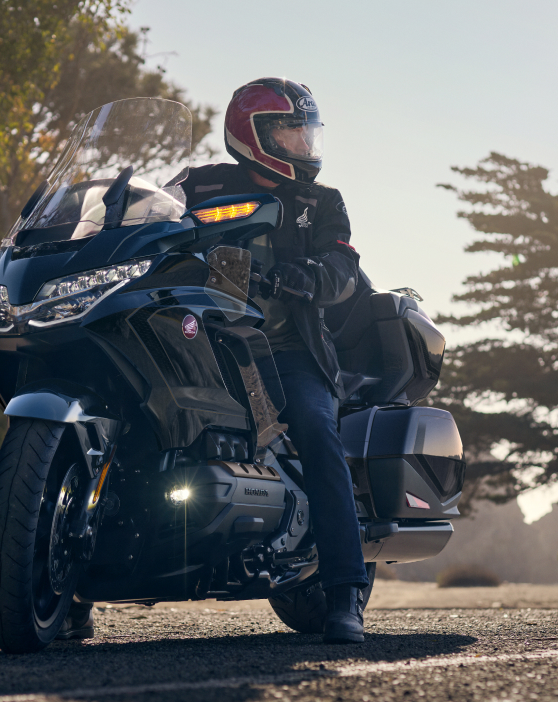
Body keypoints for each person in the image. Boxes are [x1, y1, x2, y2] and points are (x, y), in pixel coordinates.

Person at [179, 77, 369, 644]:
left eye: (307, 130)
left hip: (286, 350)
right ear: (256, 133)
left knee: (315, 427)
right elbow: (146, 224)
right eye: (293, 128)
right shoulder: (199, 185)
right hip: (199, 340)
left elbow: (344, 271)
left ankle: (343, 591)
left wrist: (307, 278)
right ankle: (69, 589)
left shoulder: (322, 202)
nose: (305, 141)